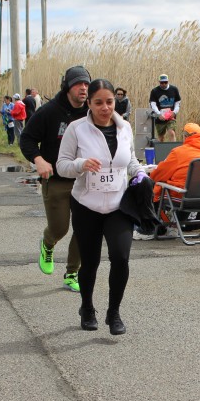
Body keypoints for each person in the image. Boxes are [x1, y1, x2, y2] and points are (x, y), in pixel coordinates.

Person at [56, 79, 145, 335]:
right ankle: (87, 308)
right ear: (89, 103)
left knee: (121, 257)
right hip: (87, 205)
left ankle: (113, 312)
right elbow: (62, 165)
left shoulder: (125, 127)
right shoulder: (76, 129)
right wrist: (80, 164)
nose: (105, 108)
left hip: (118, 205)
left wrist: (140, 173)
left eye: (109, 102)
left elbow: (130, 160)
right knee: (90, 261)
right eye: (98, 103)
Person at [20, 65, 90, 292]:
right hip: (57, 179)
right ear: (67, 86)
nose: (83, 88)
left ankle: (72, 273)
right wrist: (38, 160)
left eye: (86, 84)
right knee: (60, 228)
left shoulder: (92, 111)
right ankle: (48, 243)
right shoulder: (49, 112)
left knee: (84, 228)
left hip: (84, 179)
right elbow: (27, 139)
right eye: (78, 84)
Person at [132, 122, 200, 240]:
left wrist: (152, 175)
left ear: (185, 136)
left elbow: (159, 175)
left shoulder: (179, 152)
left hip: (184, 197)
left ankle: (147, 230)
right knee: (187, 190)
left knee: (153, 187)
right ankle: (174, 226)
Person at [149, 74, 181, 141]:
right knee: (161, 137)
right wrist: (158, 114)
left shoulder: (174, 89)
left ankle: (173, 147)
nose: (164, 84)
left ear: (168, 81)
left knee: (172, 133)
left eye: (165, 82)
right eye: (162, 83)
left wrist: (174, 112)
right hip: (160, 117)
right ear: (159, 82)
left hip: (171, 116)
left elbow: (177, 102)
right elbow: (153, 104)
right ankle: (161, 147)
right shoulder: (154, 91)